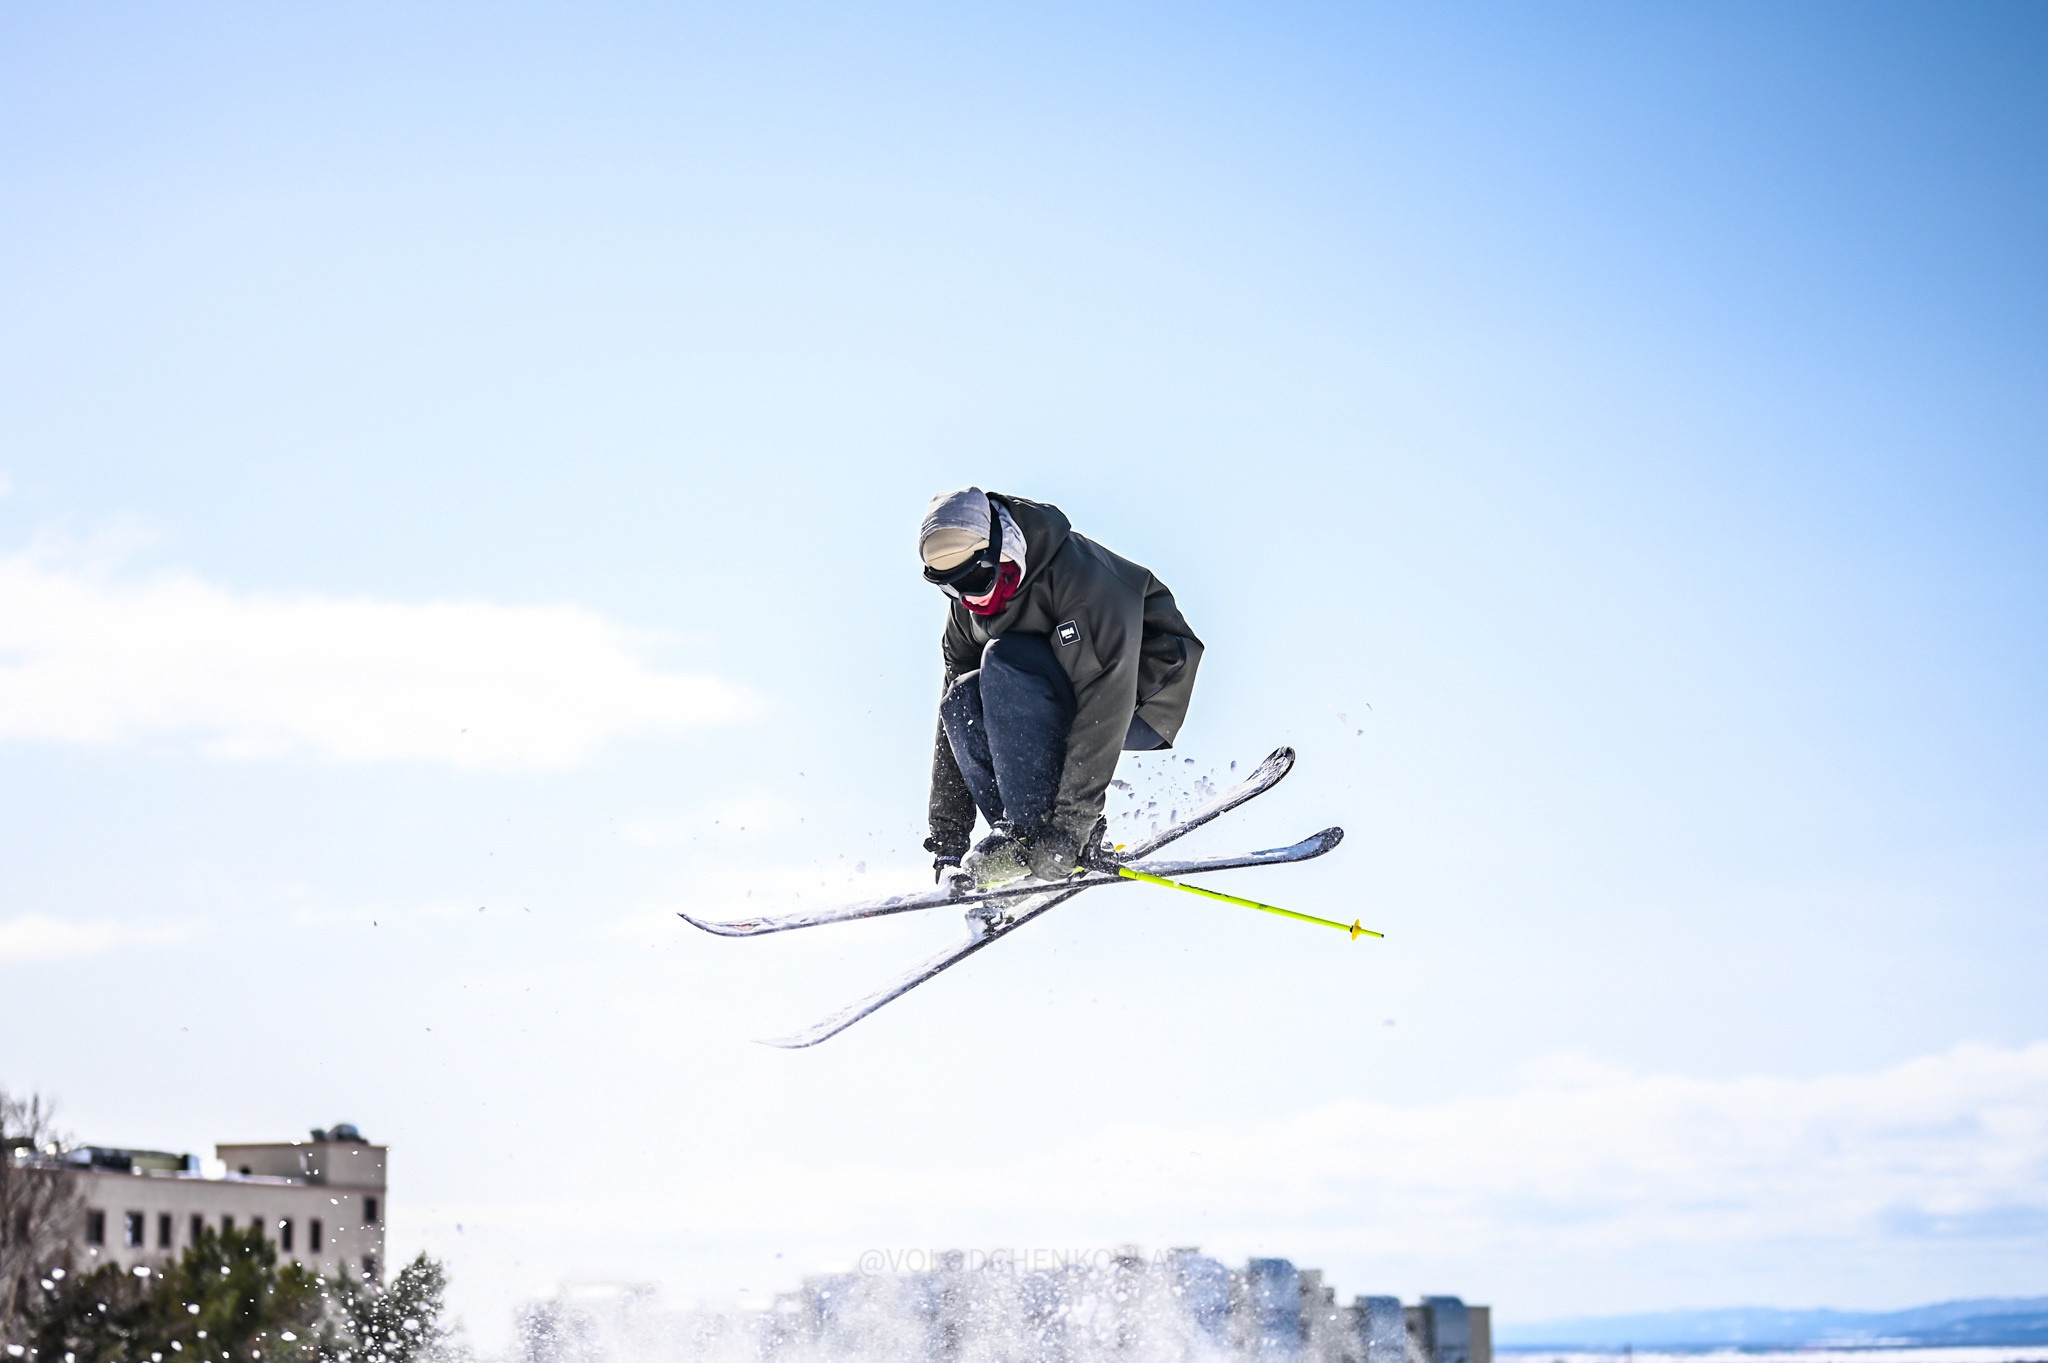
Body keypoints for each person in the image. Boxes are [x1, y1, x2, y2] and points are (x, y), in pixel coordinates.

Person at [919, 488, 1203, 901]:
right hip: (1046, 691)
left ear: (1000, 549)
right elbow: (954, 726)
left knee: (1004, 659)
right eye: (950, 587)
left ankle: (1038, 833)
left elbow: (1106, 699)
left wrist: (1072, 827)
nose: (969, 597)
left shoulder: (1080, 579)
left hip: (1141, 688)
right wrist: (948, 842)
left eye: (976, 578)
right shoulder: (965, 615)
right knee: (962, 696)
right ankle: (1021, 839)